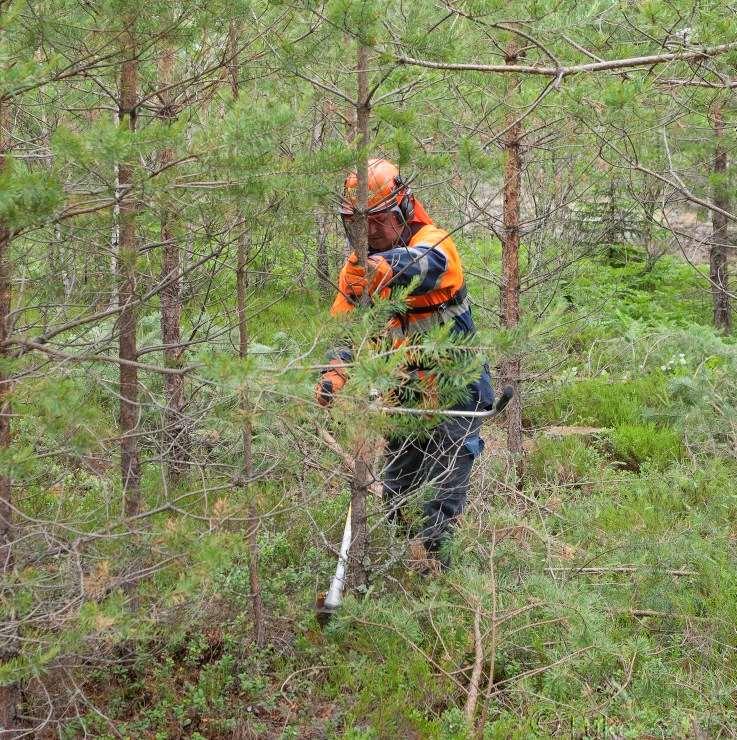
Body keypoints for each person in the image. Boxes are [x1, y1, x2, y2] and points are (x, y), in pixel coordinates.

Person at [316, 158, 494, 571]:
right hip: (405, 391)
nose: (369, 236)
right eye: (359, 227)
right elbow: (346, 330)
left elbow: (426, 264)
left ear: (402, 210)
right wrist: (334, 374)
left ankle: (439, 582)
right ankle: (398, 573)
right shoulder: (358, 271)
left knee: (440, 499)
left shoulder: (435, 242)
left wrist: (382, 268)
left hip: (456, 387)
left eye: (377, 224)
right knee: (397, 493)